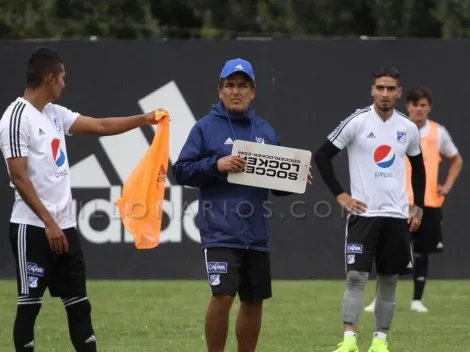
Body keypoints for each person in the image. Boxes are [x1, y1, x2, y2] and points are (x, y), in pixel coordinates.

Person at [0, 47, 161, 352]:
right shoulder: (15, 117)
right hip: (33, 227)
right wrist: (48, 223)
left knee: (79, 305)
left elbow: (101, 126)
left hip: (65, 227)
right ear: (50, 78)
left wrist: (145, 119)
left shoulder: (54, 114)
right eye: (62, 78)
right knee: (29, 306)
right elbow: (18, 176)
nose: (65, 83)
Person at [172, 58, 312, 352]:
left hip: (257, 232)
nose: (236, 92)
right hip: (220, 229)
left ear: (253, 91)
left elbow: (276, 187)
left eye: (243, 86)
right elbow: (181, 171)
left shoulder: (266, 131)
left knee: (253, 299)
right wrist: (216, 164)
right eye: (230, 85)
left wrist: (295, 179)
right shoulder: (204, 128)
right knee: (222, 295)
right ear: (219, 90)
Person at [314, 66, 426, 352]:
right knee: (355, 277)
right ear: (372, 90)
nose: (385, 93)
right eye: (380, 88)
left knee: (389, 281)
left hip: (396, 217)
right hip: (364, 215)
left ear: (399, 93)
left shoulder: (408, 127)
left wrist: (418, 206)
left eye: (391, 89)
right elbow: (322, 156)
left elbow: (419, 168)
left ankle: (380, 342)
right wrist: (340, 194)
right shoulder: (357, 122)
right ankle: (349, 339)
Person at [363, 87, 463, 314]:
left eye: (423, 105)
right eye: (415, 105)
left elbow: (456, 160)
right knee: (389, 251)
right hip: (397, 202)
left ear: (429, 107)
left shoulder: (439, 132)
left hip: (427, 203)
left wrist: (446, 186)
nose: (419, 109)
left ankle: (417, 299)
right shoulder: (396, 128)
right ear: (407, 106)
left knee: (422, 252)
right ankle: (379, 298)